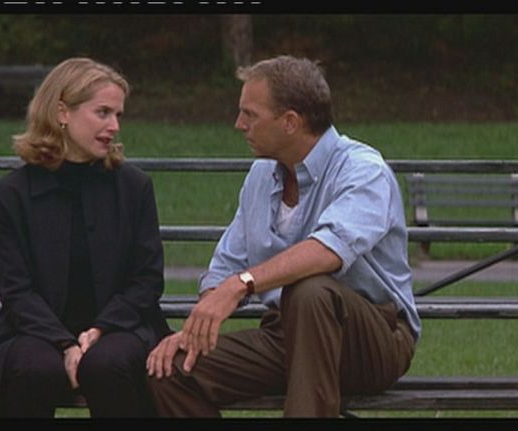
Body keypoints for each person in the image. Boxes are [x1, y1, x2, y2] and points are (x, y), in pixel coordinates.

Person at [146, 55, 421, 417]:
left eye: (250, 114)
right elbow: (227, 264)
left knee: (310, 290)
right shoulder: (262, 175)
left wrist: (242, 284)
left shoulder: (363, 170)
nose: (238, 124)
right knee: (172, 370)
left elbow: (328, 250)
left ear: (290, 121)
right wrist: (200, 324)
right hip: (286, 335)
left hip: (370, 342)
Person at [0, 57, 170, 417]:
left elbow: (146, 280)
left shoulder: (134, 187)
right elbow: (16, 291)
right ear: (62, 112)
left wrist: (100, 330)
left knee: (106, 365)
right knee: (35, 368)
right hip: (33, 330)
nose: (114, 126)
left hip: (121, 327)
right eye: (103, 112)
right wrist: (64, 343)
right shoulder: (8, 197)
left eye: (118, 115)